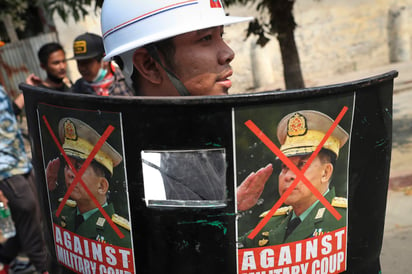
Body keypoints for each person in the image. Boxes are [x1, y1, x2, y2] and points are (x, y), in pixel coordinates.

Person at [100, 0, 273, 200]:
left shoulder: (196, 136)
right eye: (206, 38)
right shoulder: (145, 167)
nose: (228, 53)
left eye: (221, 35)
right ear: (149, 66)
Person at [239, 110, 349, 248]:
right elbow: (222, 255)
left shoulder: (345, 221)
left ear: (325, 173)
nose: (288, 176)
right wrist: (235, 206)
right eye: (285, 166)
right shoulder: (269, 224)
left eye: (302, 165)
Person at [49, 117, 131, 248]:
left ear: (102, 186)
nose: (69, 173)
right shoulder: (62, 212)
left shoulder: (121, 237)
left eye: (79, 167)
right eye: (67, 165)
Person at [0, 85, 49, 274]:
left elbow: (7, 115)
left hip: (21, 161)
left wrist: (23, 96)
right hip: (5, 169)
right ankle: (43, 268)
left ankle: (6, 258)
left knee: (34, 216)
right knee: (28, 211)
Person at [70, 33, 134, 96]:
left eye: (86, 62)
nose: (82, 68)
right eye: (78, 62)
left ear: (105, 60)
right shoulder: (78, 89)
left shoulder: (128, 80)